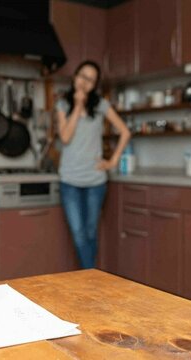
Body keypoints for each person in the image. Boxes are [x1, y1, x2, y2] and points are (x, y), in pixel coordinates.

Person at [55, 60, 131, 269]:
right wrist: (78, 105)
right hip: (70, 180)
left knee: (90, 232)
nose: (85, 82)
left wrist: (113, 161)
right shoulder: (63, 105)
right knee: (79, 233)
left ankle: (89, 278)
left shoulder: (100, 105)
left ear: (95, 84)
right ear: (75, 77)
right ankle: (90, 277)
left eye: (91, 80)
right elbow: (65, 137)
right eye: (83, 76)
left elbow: (125, 131)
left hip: (95, 181)